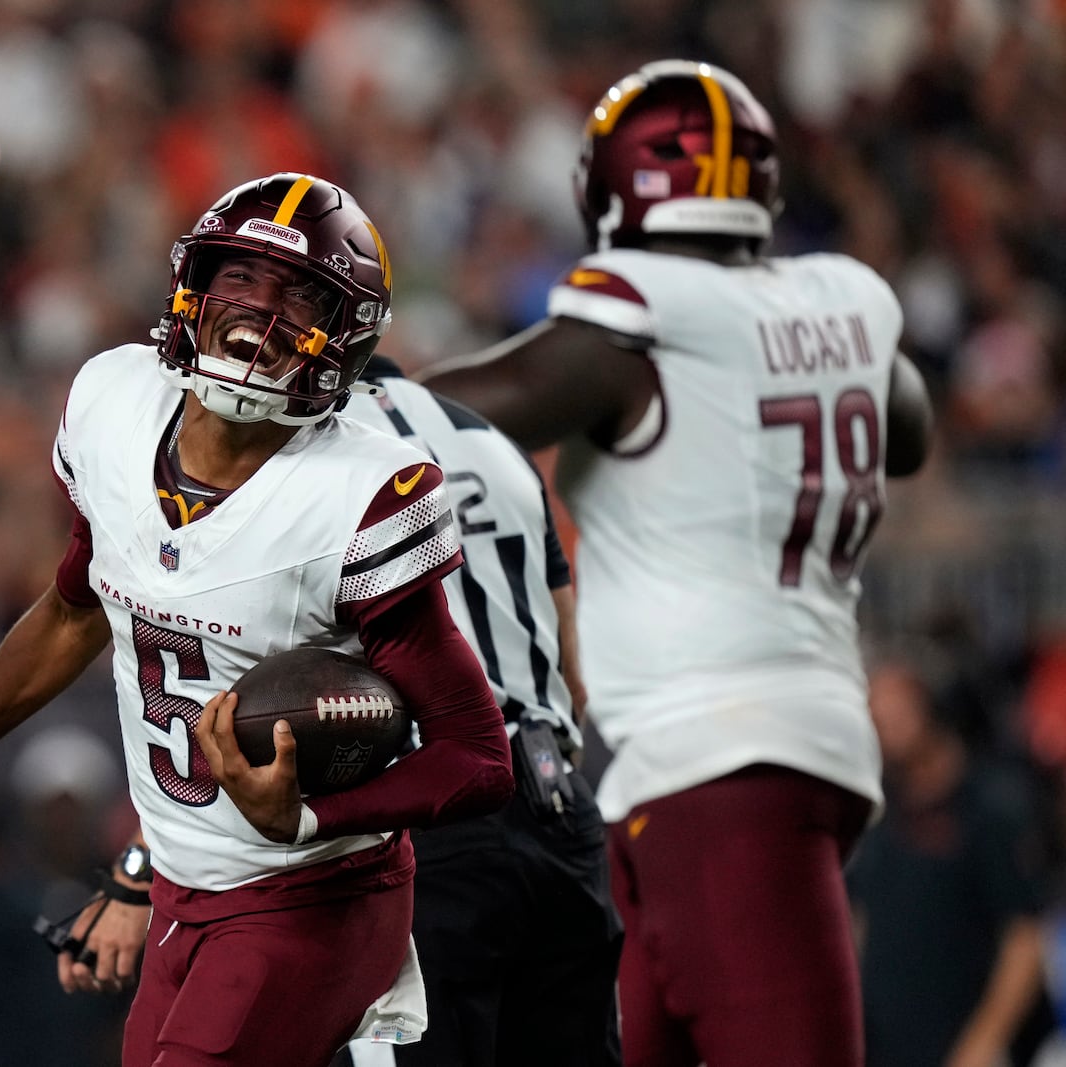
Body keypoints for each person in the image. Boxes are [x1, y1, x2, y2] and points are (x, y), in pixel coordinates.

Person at [0, 172, 515, 1067]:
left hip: (313, 895)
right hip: (183, 891)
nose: (261, 309)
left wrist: (305, 817)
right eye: (242, 279)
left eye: (301, 293)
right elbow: (72, 611)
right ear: (193, 287)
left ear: (348, 335)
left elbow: (479, 757)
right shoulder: (115, 402)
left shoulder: (363, 491)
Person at [421, 60, 934, 1067]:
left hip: (721, 762)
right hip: (721, 758)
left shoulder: (641, 318)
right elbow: (903, 427)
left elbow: (501, 392)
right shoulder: (843, 301)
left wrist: (346, 404)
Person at [56, 356, 624, 1067]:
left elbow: (222, 693)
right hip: (558, 812)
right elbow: (573, 678)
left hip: (423, 811)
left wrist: (138, 871)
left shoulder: (308, 459)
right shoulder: (491, 441)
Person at [850, 658, 1052, 1067]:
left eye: (896, 714)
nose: (886, 730)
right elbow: (857, 922)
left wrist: (981, 1047)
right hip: (885, 1047)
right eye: (876, 718)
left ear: (931, 710)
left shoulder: (989, 806)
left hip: (968, 1044)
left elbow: (1025, 942)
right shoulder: (877, 812)